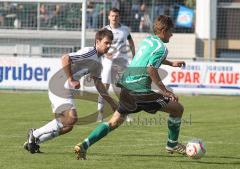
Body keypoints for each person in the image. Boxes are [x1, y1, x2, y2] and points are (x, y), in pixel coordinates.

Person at [74, 15, 186, 160]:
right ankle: (172, 144)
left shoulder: (149, 40)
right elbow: (151, 69)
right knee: (178, 108)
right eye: (171, 31)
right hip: (141, 92)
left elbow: (149, 58)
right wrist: (166, 91)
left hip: (126, 88)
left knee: (114, 122)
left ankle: (84, 144)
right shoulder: (162, 48)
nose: (172, 34)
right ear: (164, 30)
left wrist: (171, 64)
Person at [23, 29, 117, 154]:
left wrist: (111, 102)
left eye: (110, 43)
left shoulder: (98, 62)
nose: (109, 46)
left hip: (64, 86)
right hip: (59, 84)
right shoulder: (89, 53)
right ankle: (34, 133)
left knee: (67, 126)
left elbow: (98, 84)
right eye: (106, 43)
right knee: (72, 118)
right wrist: (71, 79)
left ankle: (33, 142)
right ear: (98, 41)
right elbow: (65, 58)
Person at [97, 7, 135, 122]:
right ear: (109, 17)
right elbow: (97, 44)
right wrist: (105, 53)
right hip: (108, 61)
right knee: (105, 87)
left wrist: (134, 55)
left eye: (116, 16)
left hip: (122, 61)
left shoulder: (125, 29)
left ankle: (126, 113)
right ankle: (100, 113)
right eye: (112, 16)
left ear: (119, 17)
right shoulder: (104, 30)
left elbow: (131, 41)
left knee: (126, 88)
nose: (114, 18)